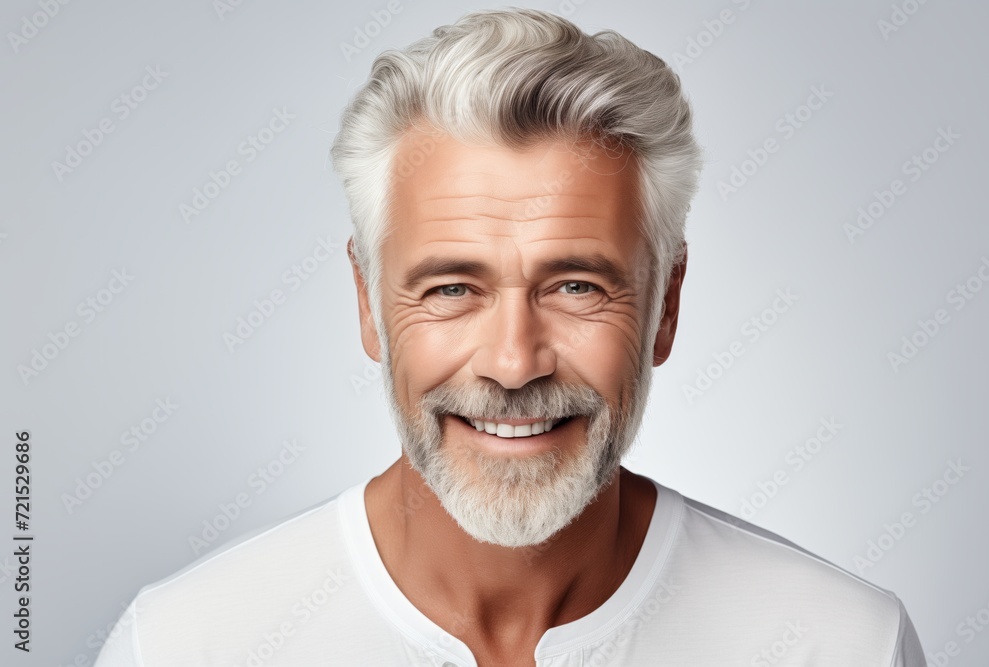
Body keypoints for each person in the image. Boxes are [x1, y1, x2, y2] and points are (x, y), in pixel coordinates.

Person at [95, 8, 926, 666]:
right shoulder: (181, 646)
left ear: (666, 304)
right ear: (368, 305)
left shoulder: (841, 644)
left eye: (576, 285)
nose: (513, 361)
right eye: (452, 288)